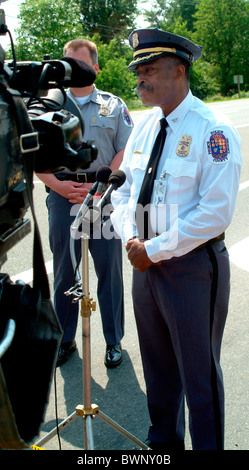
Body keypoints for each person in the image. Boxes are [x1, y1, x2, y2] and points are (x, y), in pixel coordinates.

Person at [111, 28, 242, 450]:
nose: (140, 79)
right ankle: (164, 446)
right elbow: (124, 189)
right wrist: (133, 239)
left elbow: (216, 211)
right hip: (143, 261)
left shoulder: (213, 129)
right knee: (159, 371)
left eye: (149, 70)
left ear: (180, 71)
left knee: (198, 377)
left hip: (190, 268)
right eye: (138, 71)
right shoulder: (146, 125)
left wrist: (154, 249)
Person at [37, 38, 133, 368]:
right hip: (63, 198)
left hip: (103, 197)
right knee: (65, 273)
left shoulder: (113, 105)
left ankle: (113, 339)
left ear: (95, 67)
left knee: (109, 272)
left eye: (80, 64)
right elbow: (35, 159)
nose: (73, 71)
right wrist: (62, 188)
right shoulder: (47, 106)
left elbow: (125, 150)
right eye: (68, 64)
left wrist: (100, 184)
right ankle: (64, 339)